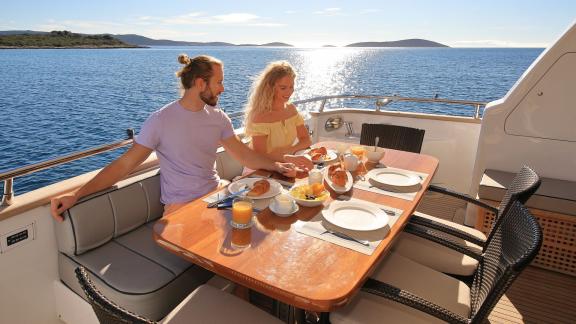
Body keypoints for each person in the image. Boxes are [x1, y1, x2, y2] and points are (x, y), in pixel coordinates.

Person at [51, 54, 312, 220]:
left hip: (217, 194)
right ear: (200, 83)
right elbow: (125, 165)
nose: (223, 88)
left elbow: (243, 154)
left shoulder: (218, 118)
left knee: (269, 221)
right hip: (181, 207)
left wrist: (278, 166)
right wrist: (77, 195)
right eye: (219, 82)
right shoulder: (160, 120)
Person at [243, 61, 312, 162]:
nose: (289, 92)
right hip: (263, 168)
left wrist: (290, 150)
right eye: (283, 88)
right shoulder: (260, 117)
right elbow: (260, 157)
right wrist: (289, 158)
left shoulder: (291, 109)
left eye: (291, 87)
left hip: (287, 162)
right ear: (270, 88)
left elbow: (306, 140)